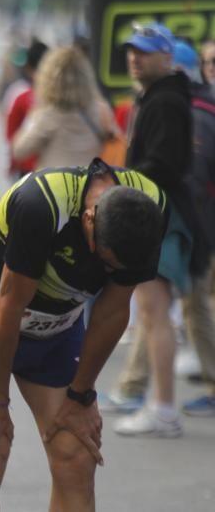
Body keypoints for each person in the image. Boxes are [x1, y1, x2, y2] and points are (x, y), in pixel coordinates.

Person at [0, 158, 166, 511]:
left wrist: (82, 395)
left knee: (75, 454)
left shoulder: (150, 207)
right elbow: (8, 307)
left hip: (55, 324)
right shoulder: (41, 204)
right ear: (89, 219)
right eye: (105, 261)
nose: (105, 273)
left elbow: (113, 310)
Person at [97, 23, 197, 438]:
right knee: (154, 315)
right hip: (162, 212)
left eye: (145, 51)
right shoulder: (161, 96)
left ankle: (164, 409)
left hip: (162, 215)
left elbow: (164, 165)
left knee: (155, 315)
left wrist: (120, 180)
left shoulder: (167, 101)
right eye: (132, 50)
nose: (134, 57)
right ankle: (159, 405)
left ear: (166, 56)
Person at [12, 46, 119, 170]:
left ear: (48, 78)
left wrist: (33, 114)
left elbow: (19, 151)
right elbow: (115, 137)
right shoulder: (100, 109)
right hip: (92, 184)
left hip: (56, 185)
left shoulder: (47, 115)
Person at [3, 38, 49, 179]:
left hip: (27, 170)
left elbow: (11, 135)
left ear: (28, 67)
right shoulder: (64, 94)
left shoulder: (18, 94)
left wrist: (12, 165)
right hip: (56, 171)